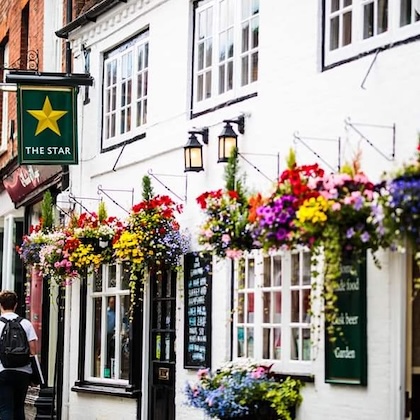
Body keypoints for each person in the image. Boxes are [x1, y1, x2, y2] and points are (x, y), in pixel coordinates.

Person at [0, 290, 37, 420]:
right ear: (15, 305)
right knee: (19, 407)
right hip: (23, 372)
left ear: (0, 305)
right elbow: (33, 351)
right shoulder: (26, 323)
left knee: (5, 408)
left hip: (3, 371)